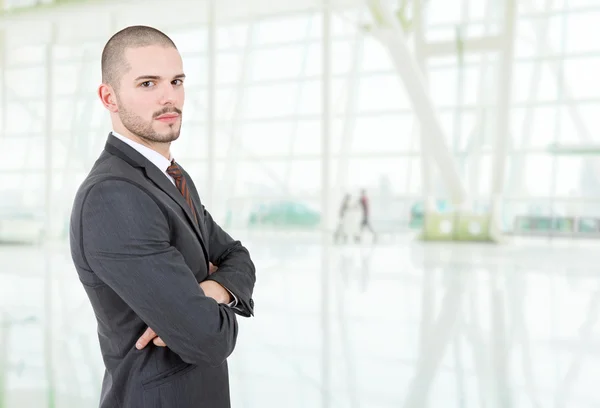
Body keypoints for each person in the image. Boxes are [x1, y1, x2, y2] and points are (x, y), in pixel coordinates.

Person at [69, 25, 256, 408]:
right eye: (148, 84)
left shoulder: (171, 177)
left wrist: (208, 292)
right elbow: (208, 339)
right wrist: (204, 309)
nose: (169, 97)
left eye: (176, 81)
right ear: (110, 97)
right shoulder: (112, 196)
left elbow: (239, 257)